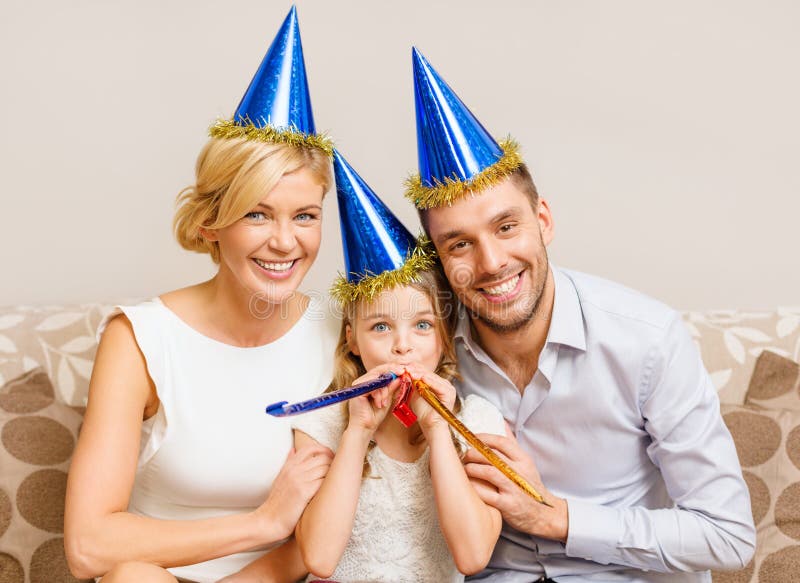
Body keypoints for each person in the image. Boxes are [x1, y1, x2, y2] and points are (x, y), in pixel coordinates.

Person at [404, 48, 756, 582]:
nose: (492, 262)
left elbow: (728, 536)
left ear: (542, 220)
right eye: (459, 245)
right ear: (438, 259)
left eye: (506, 227)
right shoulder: (428, 350)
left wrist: (559, 518)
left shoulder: (648, 341)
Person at [64, 8, 338, 582]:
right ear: (212, 222)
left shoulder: (347, 334)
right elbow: (89, 547)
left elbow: (360, 509)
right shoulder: (139, 337)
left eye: (305, 216)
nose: (285, 242)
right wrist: (263, 522)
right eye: (257, 214)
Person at [290, 152, 505, 582]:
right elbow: (318, 558)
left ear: (445, 337)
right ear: (351, 338)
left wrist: (440, 428)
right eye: (381, 326)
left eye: (422, 325)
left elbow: (472, 555)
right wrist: (358, 431)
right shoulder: (323, 421)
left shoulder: (480, 420)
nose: (402, 346)